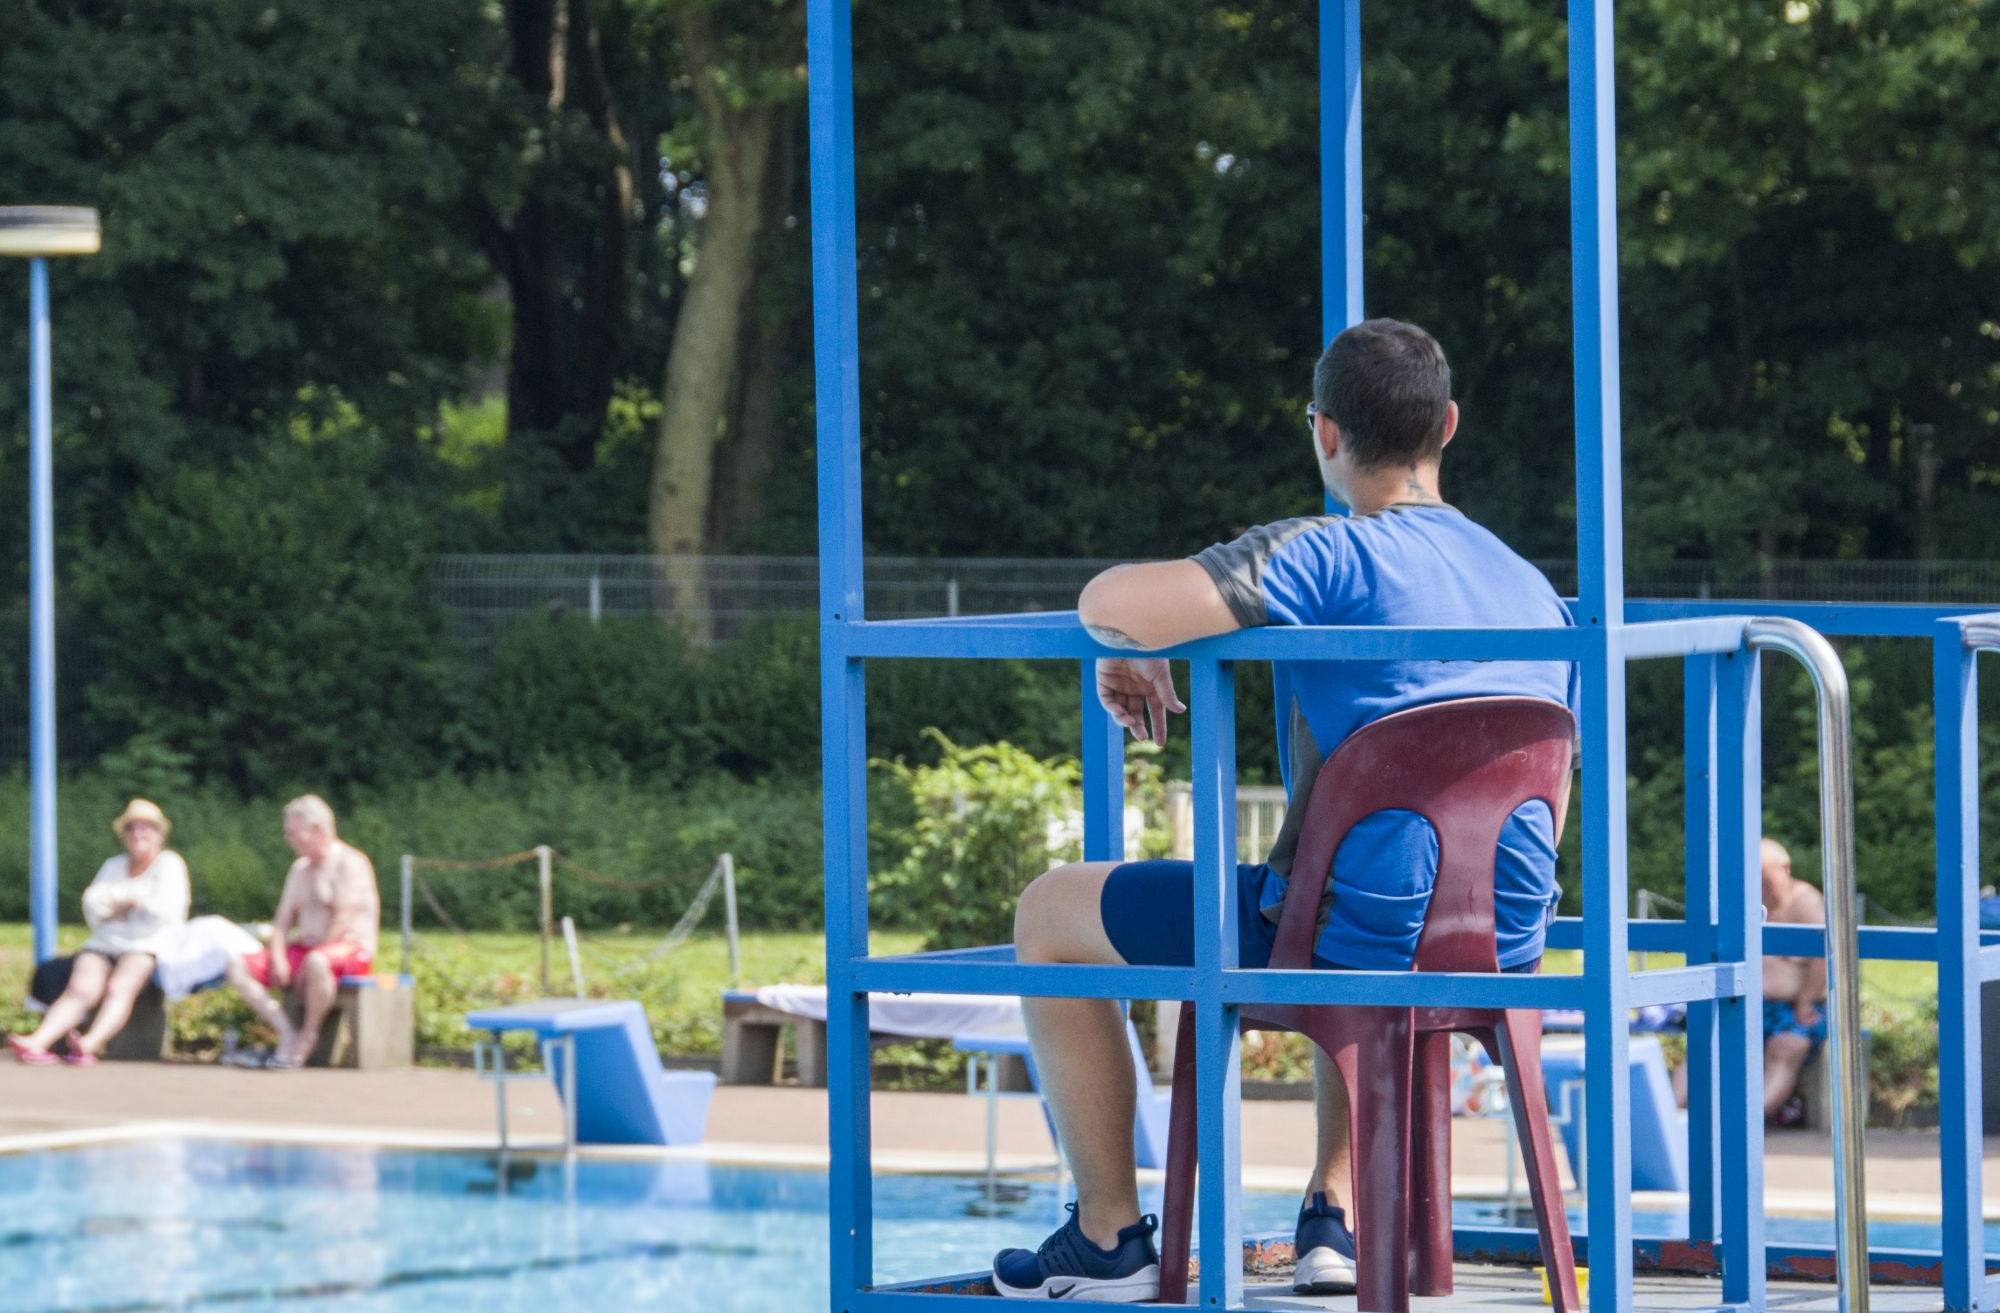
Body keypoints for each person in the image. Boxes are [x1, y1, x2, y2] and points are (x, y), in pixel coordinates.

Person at [989, 319, 1578, 1302]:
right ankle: (1332, 1218)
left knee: (1051, 912)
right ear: (1448, 424)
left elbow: (1114, 597)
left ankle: (1104, 1236)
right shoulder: (1531, 586)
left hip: (1343, 931)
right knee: (1358, 891)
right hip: (1502, 940)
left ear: (1323, 434)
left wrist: (1125, 636)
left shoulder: (1326, 556)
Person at [8, 799, 190, 1065]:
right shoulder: (113, 865)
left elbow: (162, 910)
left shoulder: (170, 864)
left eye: (146, 828)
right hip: (105, 943)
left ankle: (88, 1044)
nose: (139, 834)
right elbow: (92, 906)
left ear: (159, 834)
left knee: (121, 986)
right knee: (80, 988)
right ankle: (38, 1041)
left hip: (147, 946)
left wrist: (117, 904)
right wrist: (131, 903)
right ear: (125, 835)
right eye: (132, 829)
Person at [224, 795, 380, 1069]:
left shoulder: (351, 863)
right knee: (238, 967)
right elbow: (282, 920)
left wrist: (314, 957)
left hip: (350, 948)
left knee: (317, 962)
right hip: (308, 948)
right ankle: (287, 1033)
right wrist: (279, 956)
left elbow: (343, 917)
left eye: (294, 833)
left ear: (318, 830)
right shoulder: (299, 869)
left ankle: (309, 1033)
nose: (289, 839)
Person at [1759, 838, 1827, 1124]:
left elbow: (1824, 954)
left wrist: (1805, 1001)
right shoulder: (1746, 902)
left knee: (1787, 1047)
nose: (1760, 890)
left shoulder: (1805, 900)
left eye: (1764, 881)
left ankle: (1747, 1121)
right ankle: (1671, 1115)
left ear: (1783, 870)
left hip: (1799, 1007)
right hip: (1752, 1004)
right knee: (1706, 1043)